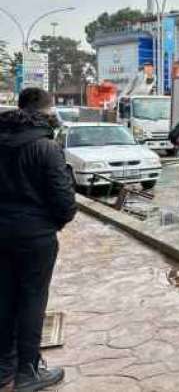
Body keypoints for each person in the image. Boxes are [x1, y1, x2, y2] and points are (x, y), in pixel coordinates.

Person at [0, 88, 76, 392]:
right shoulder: (46, 147)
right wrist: (51, 223)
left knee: (4, 297)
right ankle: (28, 372)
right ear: (45, 112)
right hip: (35, 237)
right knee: (32, 299)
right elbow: (64, 202)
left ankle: (4, 367)